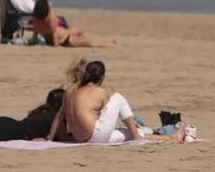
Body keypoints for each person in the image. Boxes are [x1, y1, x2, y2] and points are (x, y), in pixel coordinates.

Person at [47, 61, 185, 143]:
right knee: (118, 98)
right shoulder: (99, 92)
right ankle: (139, 138)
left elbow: (59, 116)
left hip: (80, 138)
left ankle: (171, 138)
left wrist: (50, 139)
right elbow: (111, 117)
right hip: (95, 136)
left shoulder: (69, 89)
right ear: (101, 78)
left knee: (126, 133)